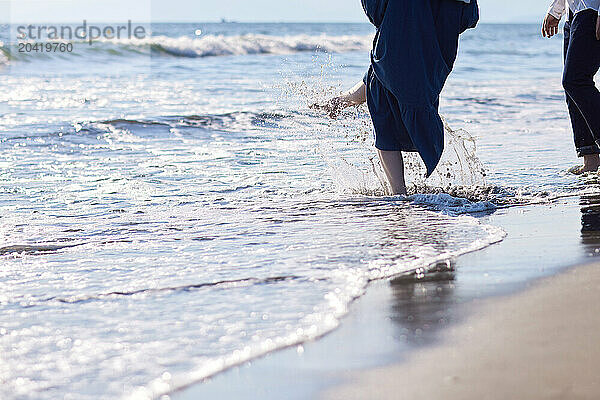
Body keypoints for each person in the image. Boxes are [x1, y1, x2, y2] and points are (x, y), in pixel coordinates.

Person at [313, 0, 479, 195]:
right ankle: (342, 101)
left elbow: (376, 11)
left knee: (383, 96)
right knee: (383, 83)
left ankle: (398, 195)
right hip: (433, 42)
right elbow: (468, 17)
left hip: (406, 29)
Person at [542, 0, 600, 174]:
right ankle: (591, 161)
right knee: (572, 88)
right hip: (573, 13)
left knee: (575, 81)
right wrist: (556, 10)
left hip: (591, 10)